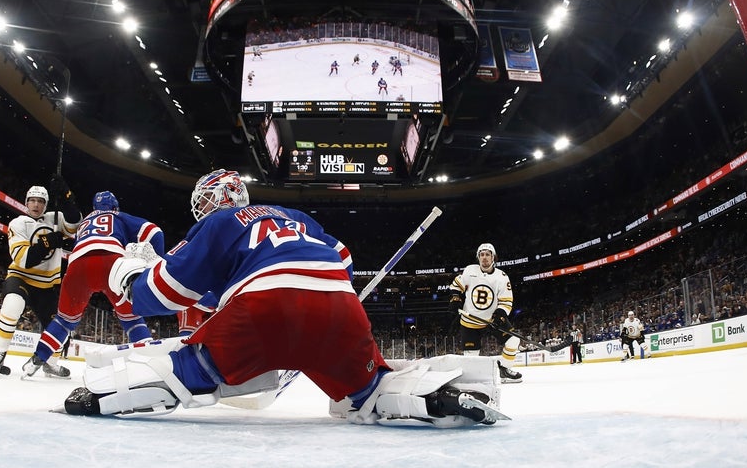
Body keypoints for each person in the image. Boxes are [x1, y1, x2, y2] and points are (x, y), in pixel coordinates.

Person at [62, 169, 503, 428]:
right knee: (368, 390)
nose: (199, 212)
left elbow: (163, 295)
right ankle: (433, 396)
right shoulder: (296, 217)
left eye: (202, 203)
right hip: (338, 307)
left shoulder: (218, 225)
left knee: (192, 366)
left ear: (216, 200)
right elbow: (343, 261)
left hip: (263, 309)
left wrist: (129, 276)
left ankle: (99, 396)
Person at [22, 191, 163, 378]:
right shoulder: (117, 216)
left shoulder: (84, 224)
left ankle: (36, 359)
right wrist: (156, 263)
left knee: (64, 321)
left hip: (77, 266)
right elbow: (154, 231)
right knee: (132, 319)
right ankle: (150, 363)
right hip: (111, 262)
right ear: (114, 207)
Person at [0, 177, 81, 375]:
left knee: (59, 328)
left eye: (41, 201)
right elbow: (25, 258)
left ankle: (50, 363)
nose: (36, 205)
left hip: (48, 283)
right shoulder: (18, 223)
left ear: (46, 204)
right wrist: (49, 241)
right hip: (22, 277)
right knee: (12, 304)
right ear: (26, 202)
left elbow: (75, 221)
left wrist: (66, 195)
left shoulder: (55, 218)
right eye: (32, 200)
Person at [448, 243, 522, 383]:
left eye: (488, 254)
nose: (484, 258)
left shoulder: (502, 277)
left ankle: (504, 370)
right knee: (471, 356)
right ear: (478, 257)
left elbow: (506, 301)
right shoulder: (470, 270)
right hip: (470, 320)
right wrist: (455, 297)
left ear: (493, 257)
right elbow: (456, 285)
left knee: (513, 340)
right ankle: (473, 379)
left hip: (492, 320)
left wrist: (500, 314)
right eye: (481, 255)